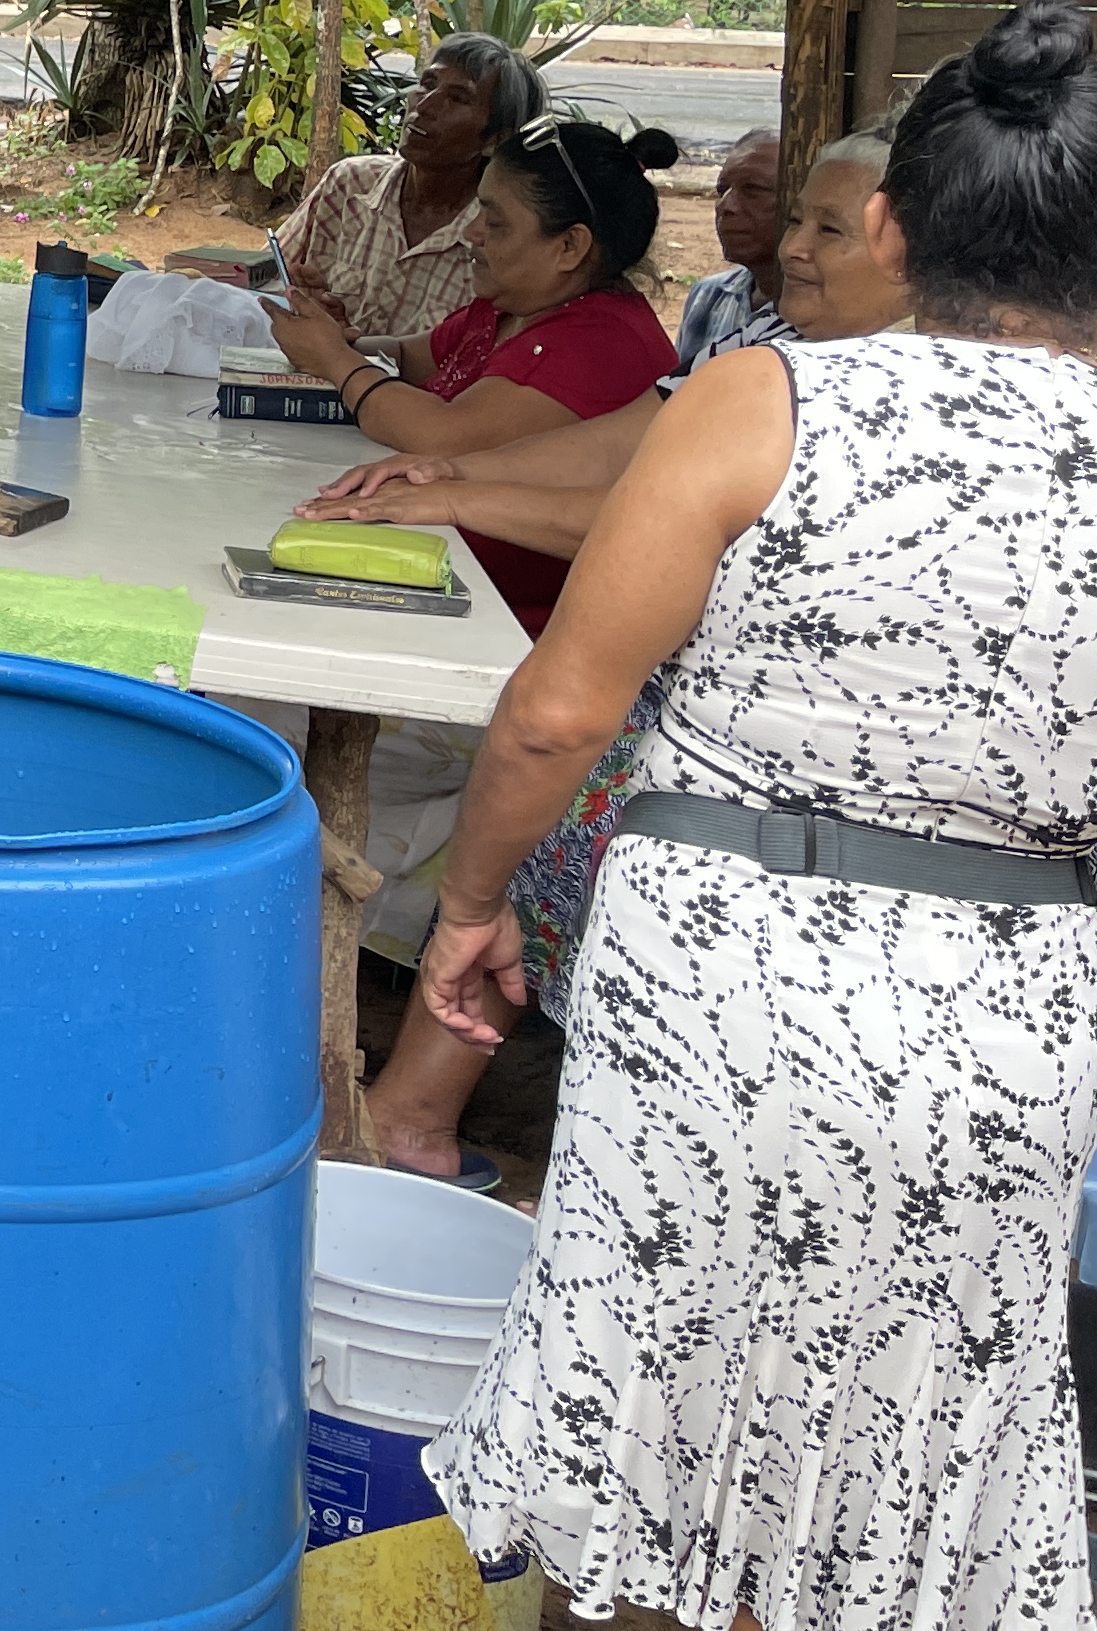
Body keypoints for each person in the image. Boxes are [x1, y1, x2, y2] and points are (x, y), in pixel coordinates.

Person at [416, 4, 1097, 1631]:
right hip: (1006, 1014)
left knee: (658, 1398)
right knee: (905, 1428)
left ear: (886, 220)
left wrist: (467, 904)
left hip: (722, 982)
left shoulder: (763, 398)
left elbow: (561, 706)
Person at [298, 128, 910, 1188]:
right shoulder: (770, 345)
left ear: (911, 247)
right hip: (714, 715)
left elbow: (663, 522)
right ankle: (417, 1116)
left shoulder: (867, 392)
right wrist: (446, 473)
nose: (794, 247)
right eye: (796, 218)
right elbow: (635, 445)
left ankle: (429, 1120)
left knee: (566, 771)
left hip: (798, 758)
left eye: (825, 228)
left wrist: (453, 481)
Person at [263, 110, 682, 631]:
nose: (471, 233)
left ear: (570, 247)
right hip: (441, 571)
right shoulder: (513, 304)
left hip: (505, 625)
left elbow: (444, 436)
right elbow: (410, 357)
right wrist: (340, 336)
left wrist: (334, 359)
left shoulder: (603, 343)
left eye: (495, 221)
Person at [272, 33, 541, 344]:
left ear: (495, 139)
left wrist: (349, 347)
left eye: (457, 98)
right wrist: (305, 309)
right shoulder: (349, 184)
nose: (424, 105)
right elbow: (262, 280)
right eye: (427, 84)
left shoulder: (498, 242)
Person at [669, 125, 789, 369]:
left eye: (753, 189)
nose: (726, 206)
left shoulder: (820, 315)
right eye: (722, 190)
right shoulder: (709, 296)